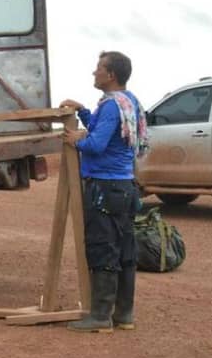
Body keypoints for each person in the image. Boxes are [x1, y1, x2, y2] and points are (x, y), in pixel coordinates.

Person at [61, 51, 148, 333]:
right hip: (124, 186)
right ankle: (124, 315)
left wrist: (76, 140)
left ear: (110, 75)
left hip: (104, 186)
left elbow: (97, 145)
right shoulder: (128, 101)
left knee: (102, 248)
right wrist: (85, 112)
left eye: (98, 68)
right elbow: (107, 133)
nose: (93, 72)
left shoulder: (111, 106)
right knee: (125, 249)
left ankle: (100, 316)